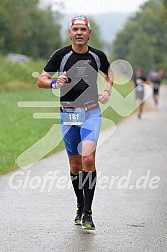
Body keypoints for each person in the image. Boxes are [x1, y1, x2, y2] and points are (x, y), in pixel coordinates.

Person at [37, 15, 112, 230]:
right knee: (75, 165)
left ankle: (88, 212)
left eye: (83, 29)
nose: (79, 33)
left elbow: (109, 72)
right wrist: (53, 82)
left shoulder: (97, 56)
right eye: (75, 29)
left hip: (90, 113)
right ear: (70, 33)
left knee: (88, 159)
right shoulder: (60, 56)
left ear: (89, 33)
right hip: (68, 114)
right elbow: (40, 79)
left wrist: (107, 90)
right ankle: (80, 205)